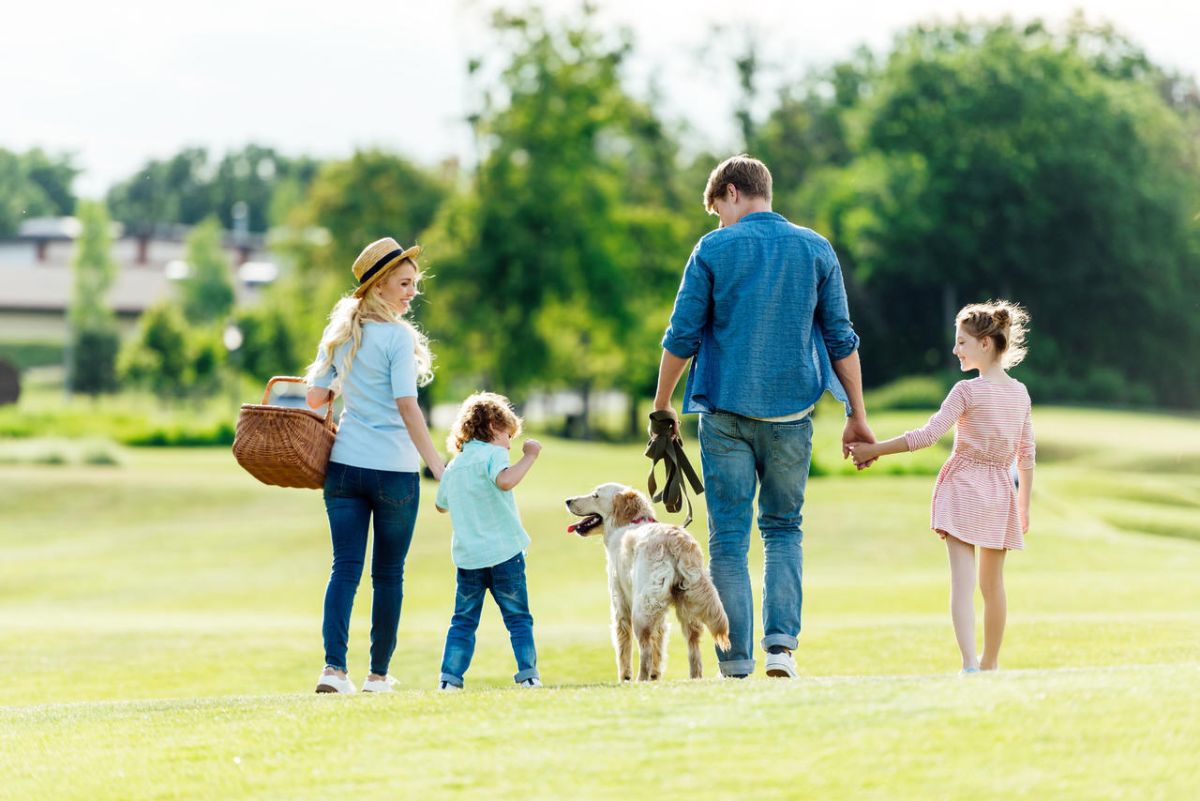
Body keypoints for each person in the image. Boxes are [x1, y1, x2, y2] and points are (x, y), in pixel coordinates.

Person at [653, 154, 874, 680]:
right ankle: (781, 650)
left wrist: (662, 403)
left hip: (725, 414)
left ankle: (735, 662)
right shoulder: (816, 248)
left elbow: (682, 334)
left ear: (731, 192)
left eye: (717, 210)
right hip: (793, 416)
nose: (718, 221)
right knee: (783, 530)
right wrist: (856, 414)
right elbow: (841, 338)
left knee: (727, 540)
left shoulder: (713, 248)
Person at [848, 301, 1036, 674]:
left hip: (964, 489)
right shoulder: (1021, 394)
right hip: (1001, 492)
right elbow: (1026, 456)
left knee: (963, 585)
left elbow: (928, 435)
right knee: (992, 586)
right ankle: (990, 664)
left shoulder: (966, 391)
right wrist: (1024, 505)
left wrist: (875, 449)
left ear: (985, 343)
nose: (955, 350)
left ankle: (970, 664)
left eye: (962, 342)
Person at [303, 237, 446, 694]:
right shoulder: (397, 338)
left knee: (343, 568)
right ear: (379, 286)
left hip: (343, 467)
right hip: (394, 472)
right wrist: (438, 466)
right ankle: (378, 676)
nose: (411, 294)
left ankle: (333, 671)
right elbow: (408, 407)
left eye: (413, 286)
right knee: (388, 574)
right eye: (404, 284)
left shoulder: (343, 336)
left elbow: (315, 398)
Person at [434, 392, 543, 691]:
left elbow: (441, 504)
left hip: (469, 558)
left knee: (463, 622)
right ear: (494, 426)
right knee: (518, 618)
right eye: (508, 435)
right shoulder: (494, 455)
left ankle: (449, 680)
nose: (510, 443)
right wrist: (529, 456)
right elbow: (505, 481)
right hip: (504, 553)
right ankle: (529, 675)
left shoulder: (455, 466)